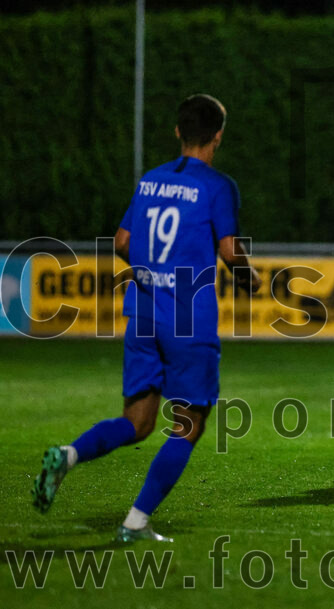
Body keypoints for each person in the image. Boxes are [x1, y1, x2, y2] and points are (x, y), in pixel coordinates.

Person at [31, 94, 261, 541]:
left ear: (178, 132)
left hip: (141, 313)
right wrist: (251, 280)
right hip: (187, 320)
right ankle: (135, 522)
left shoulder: (150, 181)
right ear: (218, 135)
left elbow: (121, 242)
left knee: (138, 421)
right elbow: (230, 250)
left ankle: (69, 454)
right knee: (189, 423)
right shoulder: (218, 186)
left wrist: (150, 273)